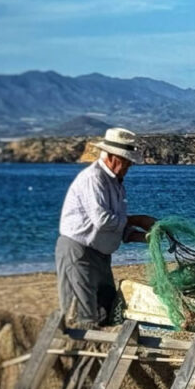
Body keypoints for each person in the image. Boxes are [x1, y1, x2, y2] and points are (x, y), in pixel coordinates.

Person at [55, 127, 156, 326]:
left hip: (101, 255)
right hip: (79, 252)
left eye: (130, 161)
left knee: (107, 310)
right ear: (110, 156)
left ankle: (100, 355)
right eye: (125, 160)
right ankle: (83, 357)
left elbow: (116, 226)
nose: (128, 165)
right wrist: (137, 220)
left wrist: (145, 237)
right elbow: (102, 219)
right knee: (83, 315)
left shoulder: (116, 183)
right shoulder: (94, 178)